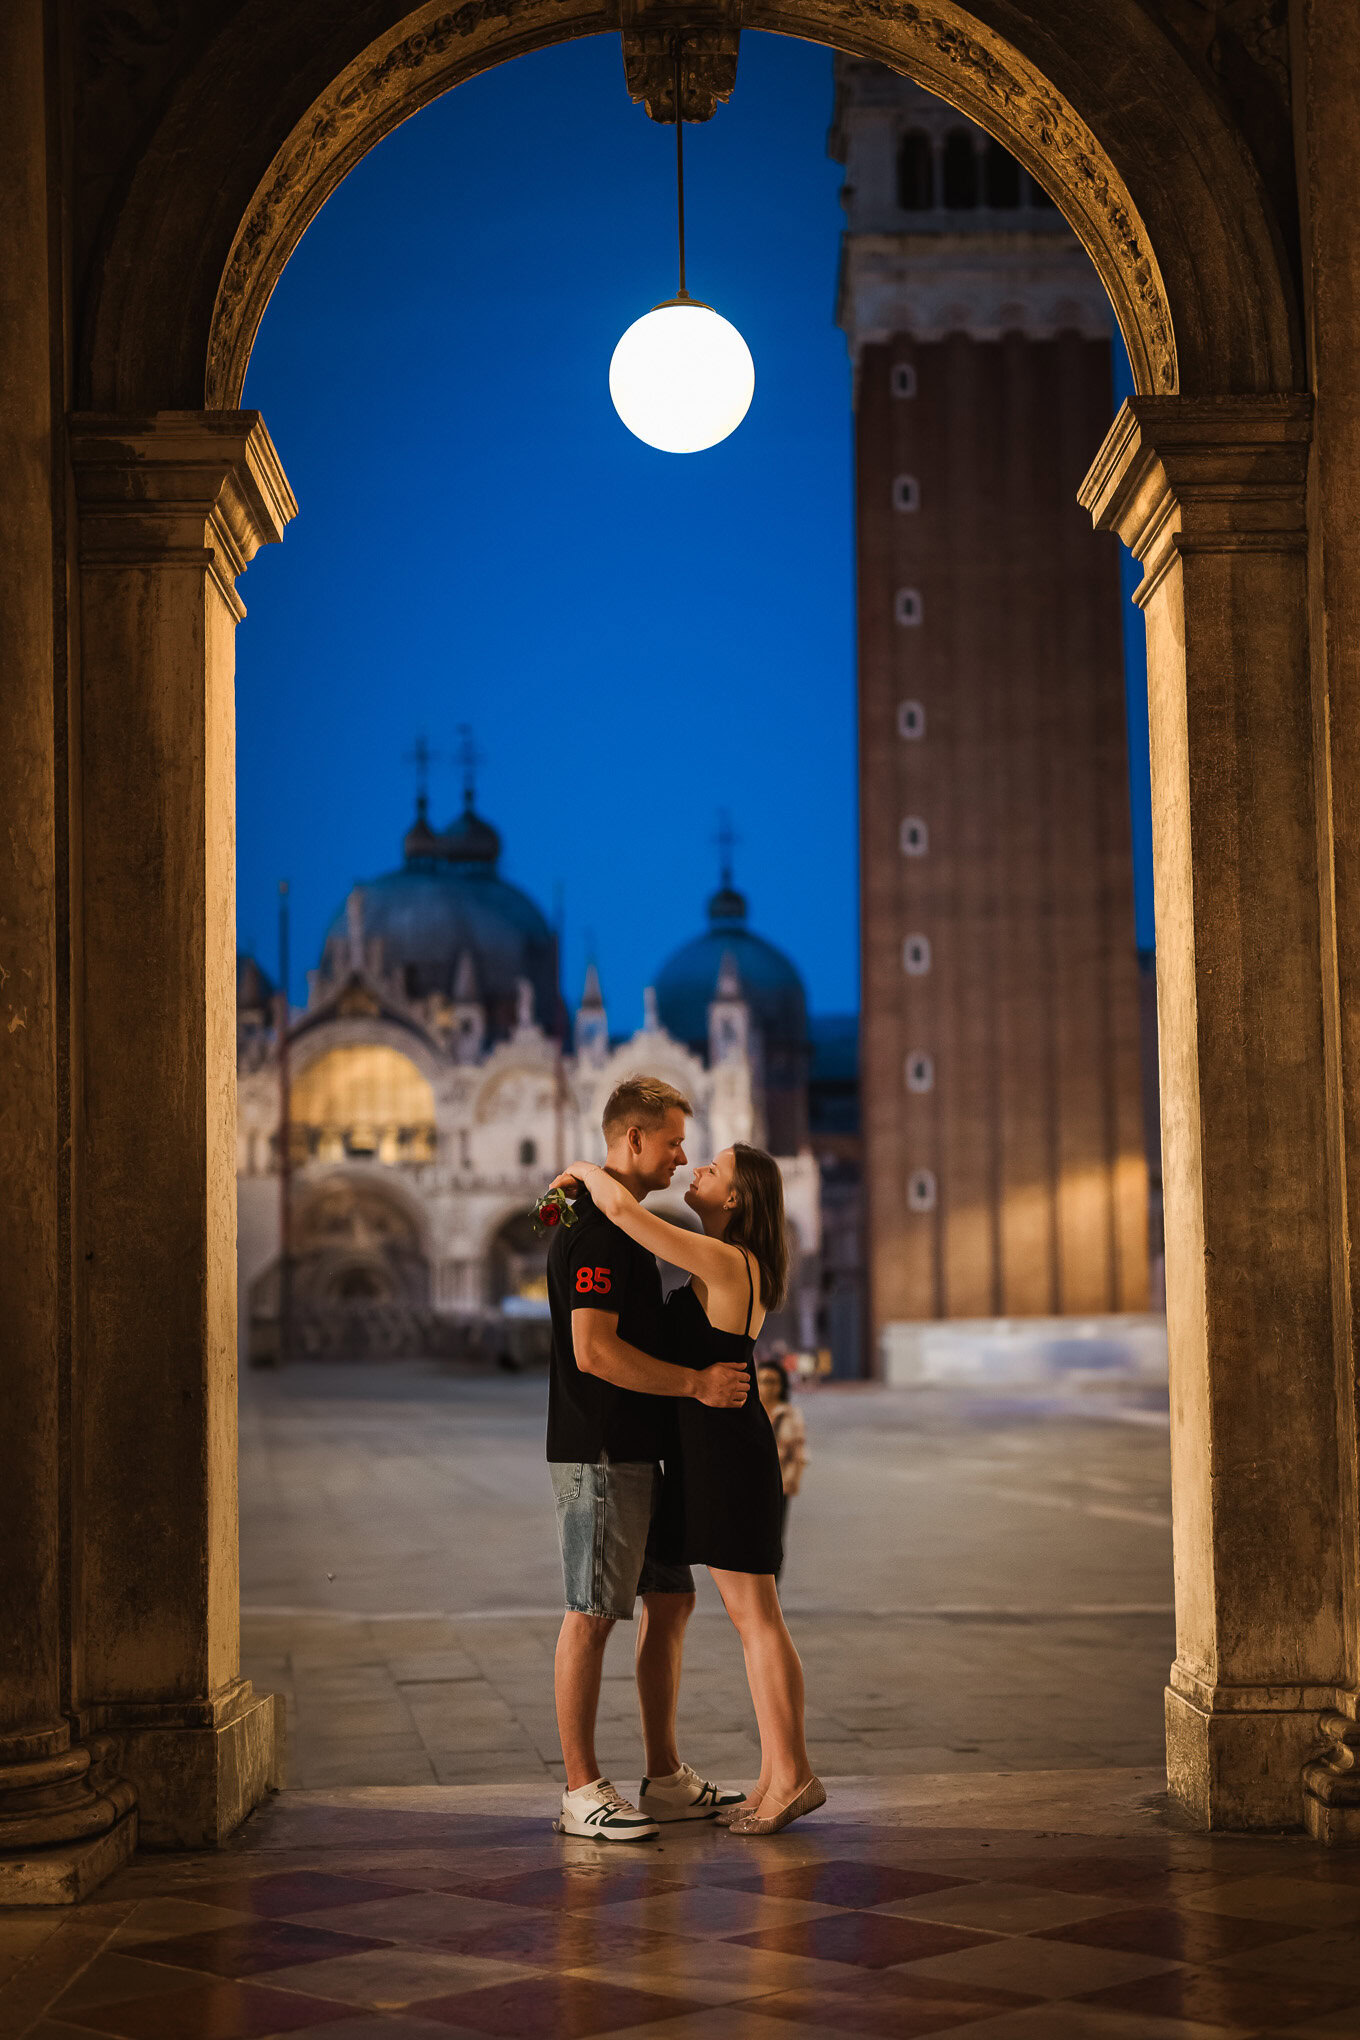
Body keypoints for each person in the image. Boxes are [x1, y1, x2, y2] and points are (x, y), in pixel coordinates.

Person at [552, 1142, 825, 1838]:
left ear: (734, 1199)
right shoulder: (726, 1260)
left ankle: (794, 1774)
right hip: (708, 1456)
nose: (695, 1168)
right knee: (748, 1617)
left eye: (713, 1169)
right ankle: (774, 1776)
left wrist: (583, 1172)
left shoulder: (729, 1261)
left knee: (756, 1619)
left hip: (728, 1457)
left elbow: (624, 1213)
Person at [546, 1076, 751, 1842]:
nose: (681, 1157)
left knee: (671, 1600)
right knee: (593, 1613)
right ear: (633, 1139)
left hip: (642, 1452)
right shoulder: (599, 1230)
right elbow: (593, 1351)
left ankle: (663, 1779)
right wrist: (696, 1383)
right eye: (671, 1142)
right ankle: (580, 1790)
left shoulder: (618, 1218)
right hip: (602, 1450)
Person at [757, 1358, 808, 1583]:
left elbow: (799, 1453)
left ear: (781, 1385)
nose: (767, 1387)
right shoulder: (748, 1411)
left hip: (779, 1487)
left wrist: (791, 1482)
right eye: (762, 1381)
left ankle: (772, 1586)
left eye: (772, 1381)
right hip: (748, 1486)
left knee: (774, 1539)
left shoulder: (790, 1414)